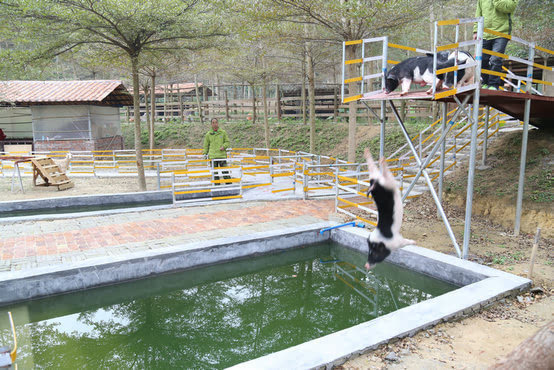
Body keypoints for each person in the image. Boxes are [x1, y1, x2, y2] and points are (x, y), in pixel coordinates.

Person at [473, 0, 518, 90]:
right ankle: (485, 83)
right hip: (485, 33)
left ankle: (493, 85)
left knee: (496, 59)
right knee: (482, 59)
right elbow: (478, 13)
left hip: (501, 33)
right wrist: (475, 30)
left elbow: (509, 7)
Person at [203, 118, 231, 184]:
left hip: (221, 156)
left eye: (216, 122)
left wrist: (224, 147)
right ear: (211, 124)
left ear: (218, 123)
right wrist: (205, 153)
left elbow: (227, 142)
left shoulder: (223, 132)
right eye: (213, 122)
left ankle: (229, 186)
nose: (214, 124)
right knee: (215, 174)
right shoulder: (208, 134)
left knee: (225, 172)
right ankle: (217, 187)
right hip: (212, 156)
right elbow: (206, 145)